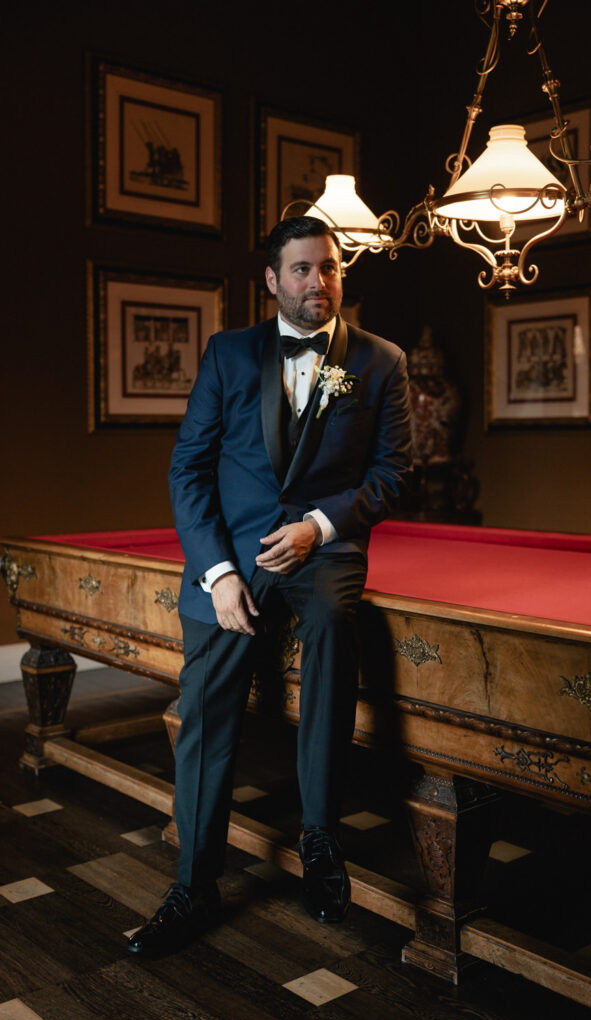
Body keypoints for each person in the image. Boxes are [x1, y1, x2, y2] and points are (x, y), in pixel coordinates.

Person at [127, 216, 412, 957]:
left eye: (328, 268)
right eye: (301, 270)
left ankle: (321, 844)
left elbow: (392, 474)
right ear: (271, 280)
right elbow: (187, 469)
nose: (317, 281)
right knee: (207, 711)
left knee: (327, 638)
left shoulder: (380, 362)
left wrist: (319, 526)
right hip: (231, 556)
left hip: (325, 553)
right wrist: (217, 573)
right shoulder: (227, 354)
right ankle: (193, 886)